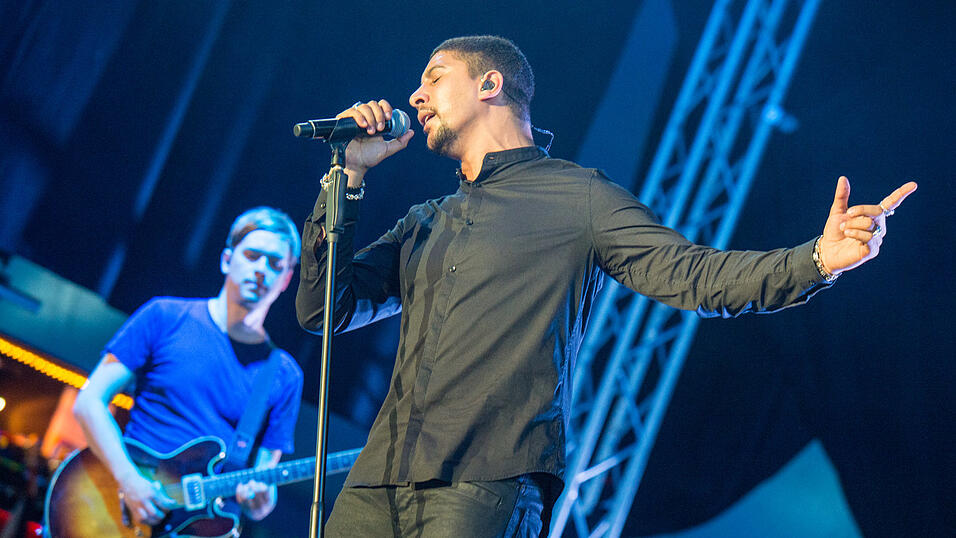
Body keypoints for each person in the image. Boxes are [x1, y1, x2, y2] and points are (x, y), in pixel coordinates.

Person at [295, 36, 917, 537]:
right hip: (377, 484)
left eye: (434, 75)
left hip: (485, 485)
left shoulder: (580, 197)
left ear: (490, 84)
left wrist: (817, 259)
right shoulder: (426, 220)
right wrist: (347, 176)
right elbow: (324, 308)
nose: (415, 93)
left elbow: (695, 275)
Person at [74, 206, 304, 527]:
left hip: (202, 528)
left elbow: (264, 485)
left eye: (275, 264)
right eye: (252, 255)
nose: (262, 269)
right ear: (227, 259)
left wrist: (261, 500)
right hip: (118, 509)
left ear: (286, 280)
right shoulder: (164, 316)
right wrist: (129, 480)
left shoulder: (284, 374)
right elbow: (88, 402)